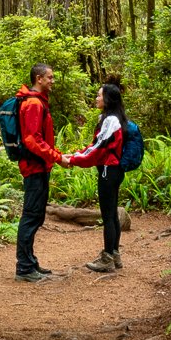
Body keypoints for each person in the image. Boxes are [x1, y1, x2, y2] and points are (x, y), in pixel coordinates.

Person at [62, 80, 133, 272]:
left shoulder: (111, 120)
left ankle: (107, 258)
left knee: (108, 216)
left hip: (109, 171)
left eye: (99, 95)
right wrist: (76, 155)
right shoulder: (110, 119)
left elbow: (98, 149)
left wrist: (73, 160)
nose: (96, 98)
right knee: (111, 215)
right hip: (112, 170)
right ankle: (114, 254)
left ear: (108, 99)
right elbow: (95, 146)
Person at [7, 63, 68, 281]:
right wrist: (57, 157)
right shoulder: (33, 103)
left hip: (40, 165)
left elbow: (41, 138)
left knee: (36, 215)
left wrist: (55, 156)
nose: (52, 81)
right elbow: (32, 140)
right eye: (50, 77)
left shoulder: (37, 101)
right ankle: (24, 268)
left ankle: (30, 262)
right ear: (39, 79)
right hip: (34, 166)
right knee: (31, 216)